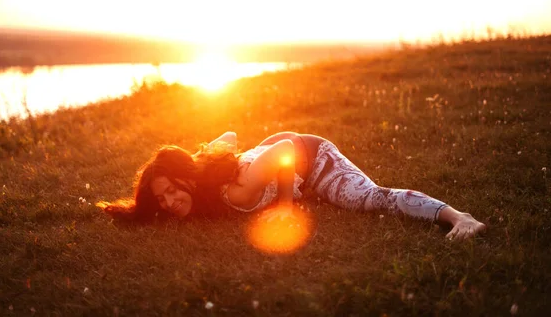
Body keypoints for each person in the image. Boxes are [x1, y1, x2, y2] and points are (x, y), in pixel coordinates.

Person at [97, 132, 486, 240]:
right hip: (277, 157)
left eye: (171, 191)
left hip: (313, 160)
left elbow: (284, 149)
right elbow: (230, 136)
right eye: (160, 198)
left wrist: (284, 204)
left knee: (366, 199)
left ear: (187, 177)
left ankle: (458, 217)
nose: (167, 203)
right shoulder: (204, 179)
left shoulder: (236, 188)